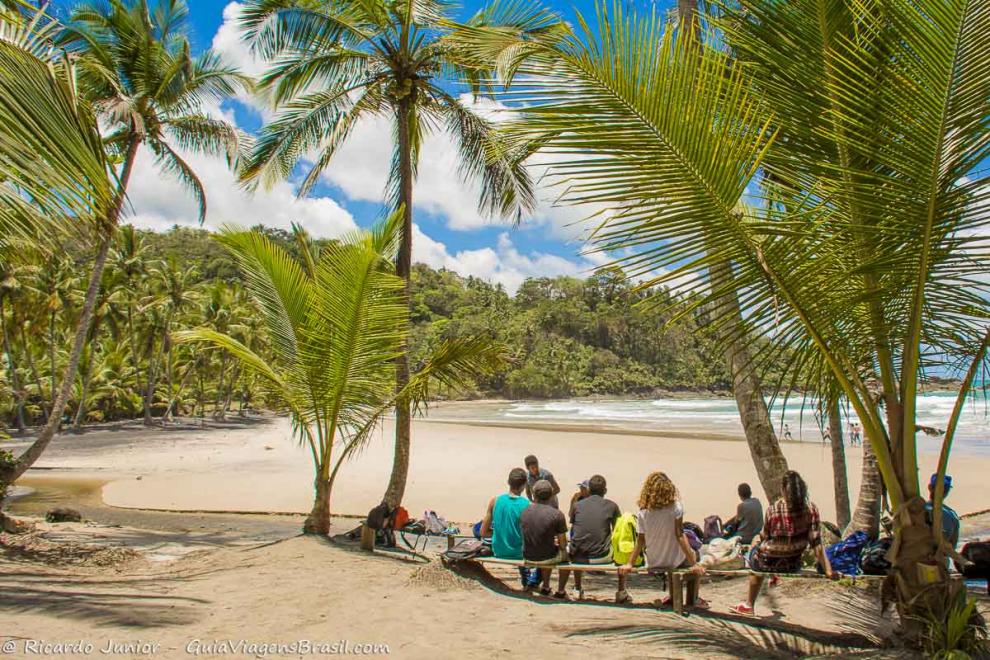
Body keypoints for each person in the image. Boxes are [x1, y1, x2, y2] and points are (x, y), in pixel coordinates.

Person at [730, 471, 834, 616]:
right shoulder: (811, 509)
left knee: (756, 553)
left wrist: (757, 540)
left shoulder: (774, 509)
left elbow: (766, 535)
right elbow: (816, 543)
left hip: (768, 562)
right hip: (792, 562)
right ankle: (772, 577)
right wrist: (828, 570)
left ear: (784, 490)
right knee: (762, 552)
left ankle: (749, 605)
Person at [619, 471, 707, 609]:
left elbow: (640, 540)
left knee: (673, 557)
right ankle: (694, 597)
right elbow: (679, 535)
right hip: (674, 560)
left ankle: (673, 597)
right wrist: (693, 564)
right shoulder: (676, 507)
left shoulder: (643, 512)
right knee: (693, 555)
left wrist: (630, 563)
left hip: (655, 559)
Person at [558, 475, 622, 600]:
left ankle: (576, 588)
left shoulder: (577, 505)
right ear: (605, 491)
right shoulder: (612, 506)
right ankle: (621, 592)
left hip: (577, 557)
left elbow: (575, 528)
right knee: (622, 549)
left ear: (589, 490)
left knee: (578, 543)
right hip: (602, 556)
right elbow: (618, 532)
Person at [481, 467, 537, 588]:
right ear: (524, 485)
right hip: (518, 553)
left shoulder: (495, 501)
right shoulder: (528, 505)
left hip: (499, 550)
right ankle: (531, 581)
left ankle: (526, 577)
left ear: (508, 482)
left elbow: (483, 532)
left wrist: (500, 533)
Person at [520, 480, 568, 597]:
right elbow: (563, 544)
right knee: (566, 555)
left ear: (534, 494)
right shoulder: (557, 514)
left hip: (527, 556)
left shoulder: (524, 511)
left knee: (547, 549)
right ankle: (561, 591)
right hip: (545, 557)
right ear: (551, 495)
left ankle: (546, 586)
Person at [925, 473, 960, 551]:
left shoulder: (916, 509)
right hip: (940, 560)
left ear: (929, 487)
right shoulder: (952, 515)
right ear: (947, 491)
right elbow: (953, 546)